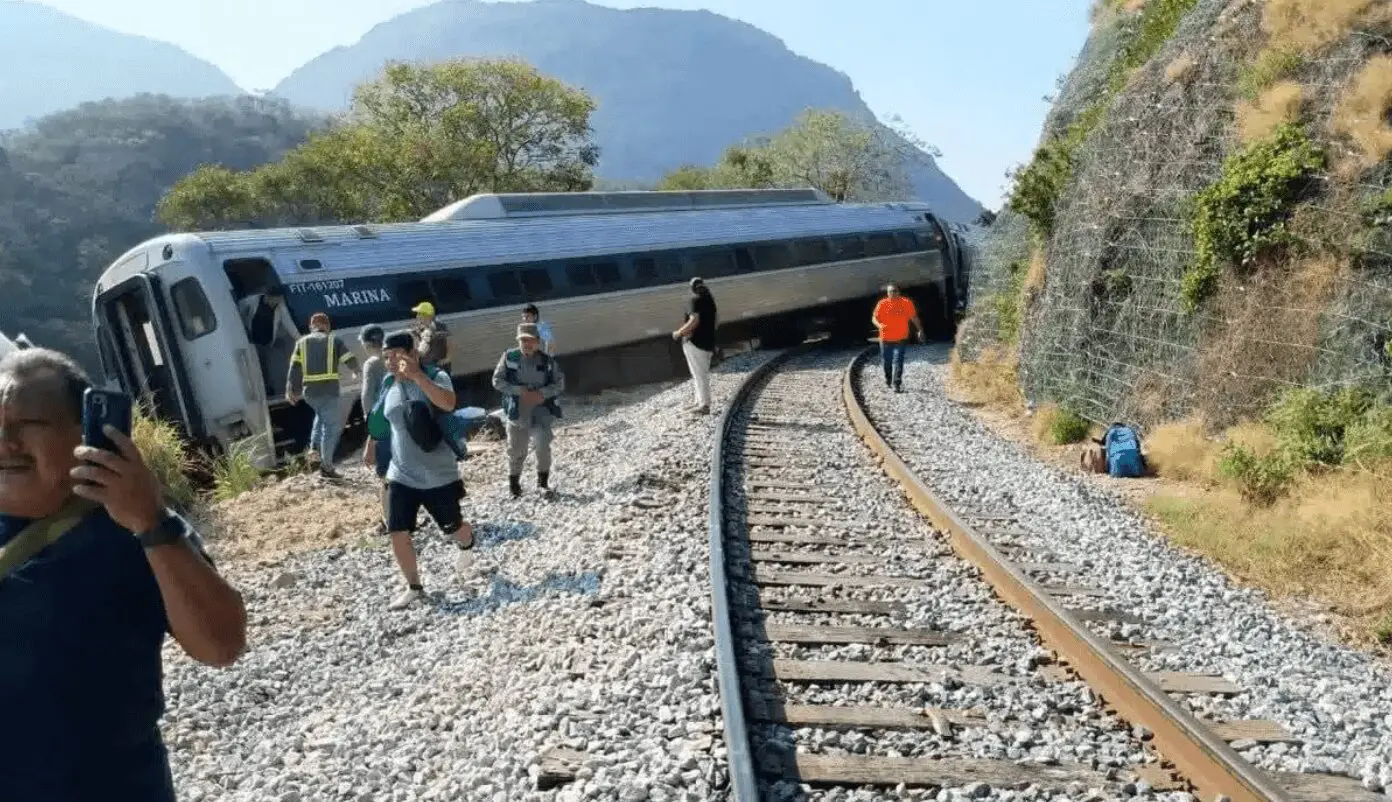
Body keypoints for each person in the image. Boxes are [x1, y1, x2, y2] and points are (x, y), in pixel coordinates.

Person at [0, 348, 247, 801]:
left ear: (85, 433)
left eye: (26, 424)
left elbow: (222, 645)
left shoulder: (131, 525)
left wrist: (152, 524)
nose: (5, 441)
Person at [380, 330, 474, 611]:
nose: (391, 362)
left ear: (414, 354)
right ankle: (414, 587)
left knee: (453, 529)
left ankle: (466, 543)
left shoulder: (435, 377)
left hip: (438, 474)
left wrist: (418, 377)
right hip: (400, 474)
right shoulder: (388, 384)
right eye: (386, 357)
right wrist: (373, 443)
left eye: (397, 355)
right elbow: (383, 417)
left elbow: (448, 403)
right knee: (397, 530)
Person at [492, 323, 565, 499]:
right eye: (523, 340)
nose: (527, 344)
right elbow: (497, 381)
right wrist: (519, 391)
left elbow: (559, 383)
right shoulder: (509, 357)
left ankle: (542, 484)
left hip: (541, 411)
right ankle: (514, 486)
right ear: (518, 341)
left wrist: (543, 393)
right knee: (516, 450)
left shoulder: (547, 361)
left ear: (538, 341)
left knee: (542, 446)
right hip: (517, 412)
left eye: (531, 340)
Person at [286, 312, 359, 479]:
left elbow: (294, 367)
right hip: (329, 391)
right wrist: (356, 371)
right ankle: (326, 467)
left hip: (310, 393)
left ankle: (313, 448)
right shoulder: (334, 340)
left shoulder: (301, 342)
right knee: (331, 428)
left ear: (312, 326)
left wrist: (291, 390)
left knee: (320, 417)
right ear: (326, 326)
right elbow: (349, 358)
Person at [358, 325, 391, 533]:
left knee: (386, 475)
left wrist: (371, 434)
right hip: (403, 422)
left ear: (368, 344)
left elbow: (368, 399)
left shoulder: (372, 364)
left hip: (384, 426)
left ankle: (389, 521)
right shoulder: (398, 358)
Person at [237, 286, 298, 396]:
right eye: (275, 300)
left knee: (266, 368)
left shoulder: (280, 307)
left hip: (267, 342)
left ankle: (268, 390)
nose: (277, 303)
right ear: (268, 297)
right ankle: (258, 391)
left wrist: (300, 339)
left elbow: (289, 324)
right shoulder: (253, 301)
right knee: (254, 367)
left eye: (279, 300)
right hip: (253, 341)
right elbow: (238, 309)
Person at [672, 277, 718, 415]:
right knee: (699, 374)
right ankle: (698, 401)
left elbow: (694, 320)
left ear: (692, 288)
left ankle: (704, 405)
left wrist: (679, 333)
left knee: (699, 374)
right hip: (708, 342)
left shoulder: (694, 301)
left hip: (695, 342)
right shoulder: (710, 301)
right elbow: (716, 322)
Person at [871, 283, 925, 393]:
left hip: (901, 337)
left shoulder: (906, 303)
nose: (893, 293)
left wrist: (920, 330)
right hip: (885, 338)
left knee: (898, 360)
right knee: (887, 361)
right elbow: (874, 318)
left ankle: (897, 384)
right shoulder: (882, 304)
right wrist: (879, 325)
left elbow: (914, 317)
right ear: (887, 293)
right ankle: (888, 379)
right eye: (890, 291)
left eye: (895, 291)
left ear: (899, 292)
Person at [412, 301, 451, 375]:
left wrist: (446, 359)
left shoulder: (439, 326)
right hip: (425, 364)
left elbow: (448, 342)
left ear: (427, 315)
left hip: (439, 365)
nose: (417, 316)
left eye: (420, 313)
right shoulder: (419, 327)